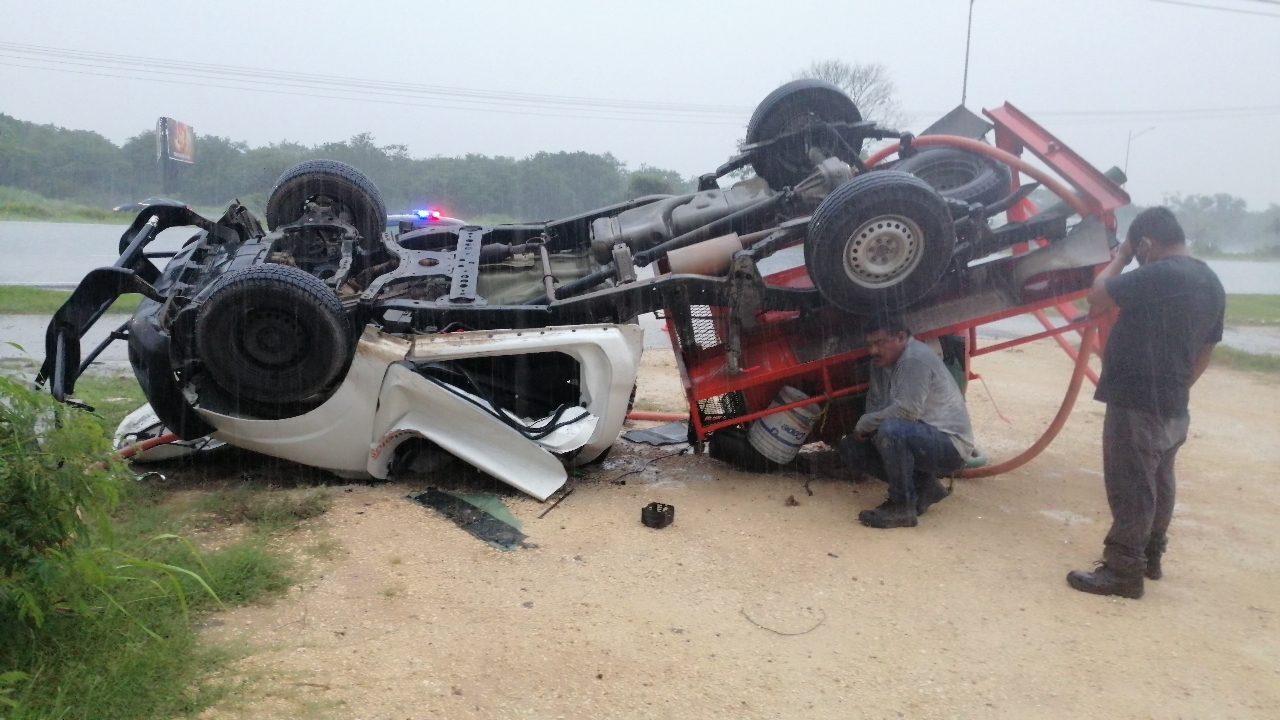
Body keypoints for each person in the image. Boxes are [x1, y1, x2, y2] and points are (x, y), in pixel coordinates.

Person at [1067, 207, 1225, 599]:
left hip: (1137, 400)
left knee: (1132, 484)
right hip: (1173, 402)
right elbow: (1206, 350)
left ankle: (1123, 569)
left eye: (1138, 252)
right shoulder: (1210, 280)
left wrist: (1120, 257)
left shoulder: (1162, 272)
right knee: (1159, 479)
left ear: (1148, 244)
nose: (1136, 258)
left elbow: (1098, 296)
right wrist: (1176, 386)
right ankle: (1150, 556)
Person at [838, 316, 976, 529]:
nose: (873, 351)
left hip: (950, 445)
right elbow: (875, 403)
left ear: (901, 337)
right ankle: (925, 487)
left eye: (880, 343)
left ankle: (901, 507)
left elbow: (907, 412)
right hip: (918, 435)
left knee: (892, 431)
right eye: (870, 344)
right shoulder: (882, 363)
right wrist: (868, 428)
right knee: (851, 447)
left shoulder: (914, 359)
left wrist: (866, 423)